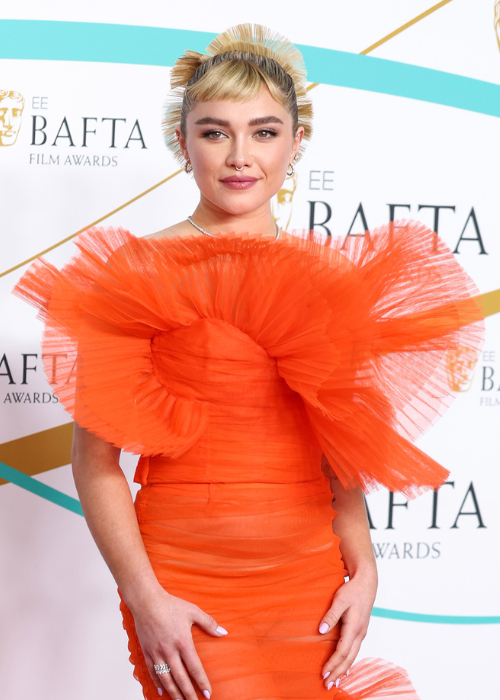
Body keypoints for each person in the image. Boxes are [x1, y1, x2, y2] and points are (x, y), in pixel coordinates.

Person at [14, 24, 484, 700]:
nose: (240, 156)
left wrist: (365, 568)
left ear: (297, 142)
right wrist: (145, 598)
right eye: (215, 132)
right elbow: (95, 463)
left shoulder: (328, 277)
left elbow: (339, 449)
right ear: (184, 143)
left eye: (264, 132)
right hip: (185, 578)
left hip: (310, 580)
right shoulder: (136, 271)